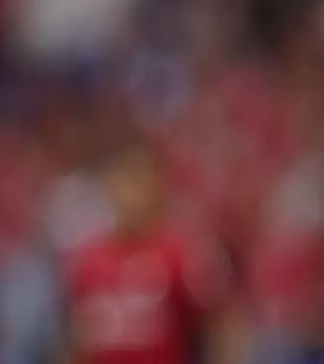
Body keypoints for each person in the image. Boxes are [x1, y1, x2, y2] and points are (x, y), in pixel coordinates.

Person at [63, 146, 231, 364]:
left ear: (155, 188)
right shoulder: (88, 259)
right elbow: (79, 338)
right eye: (122, 182)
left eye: (137, 182)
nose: (129, 194)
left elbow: (219, 324)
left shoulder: (179, 251)